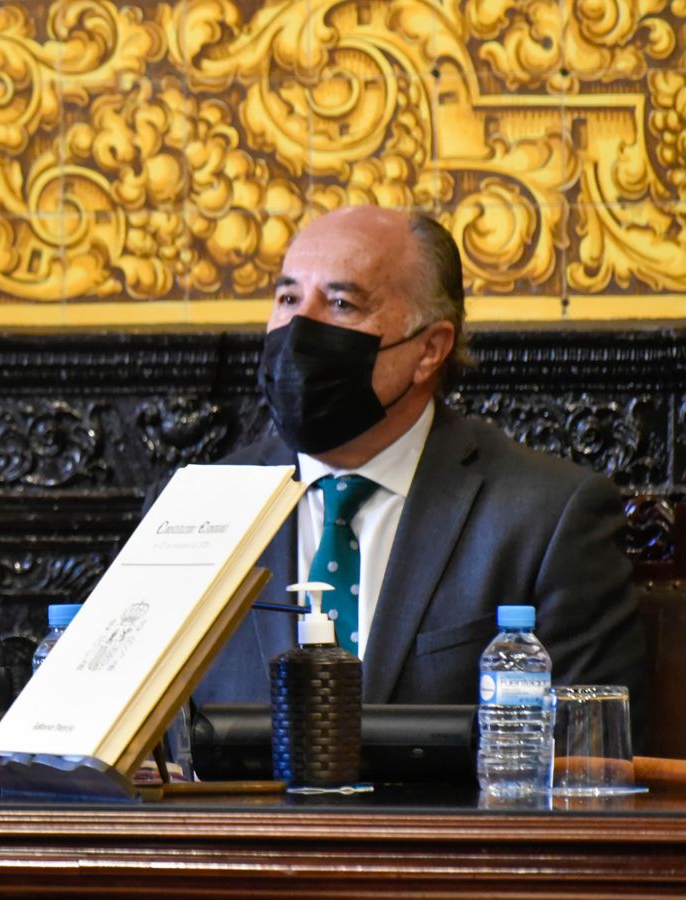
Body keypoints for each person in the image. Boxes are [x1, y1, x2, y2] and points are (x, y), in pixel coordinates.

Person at [188, 206, 648, 736]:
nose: (299, 329)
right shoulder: (195, 507)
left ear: (430, 349)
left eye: (340, 303)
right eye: (288, 298)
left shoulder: (548, 519)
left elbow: (588, 756)